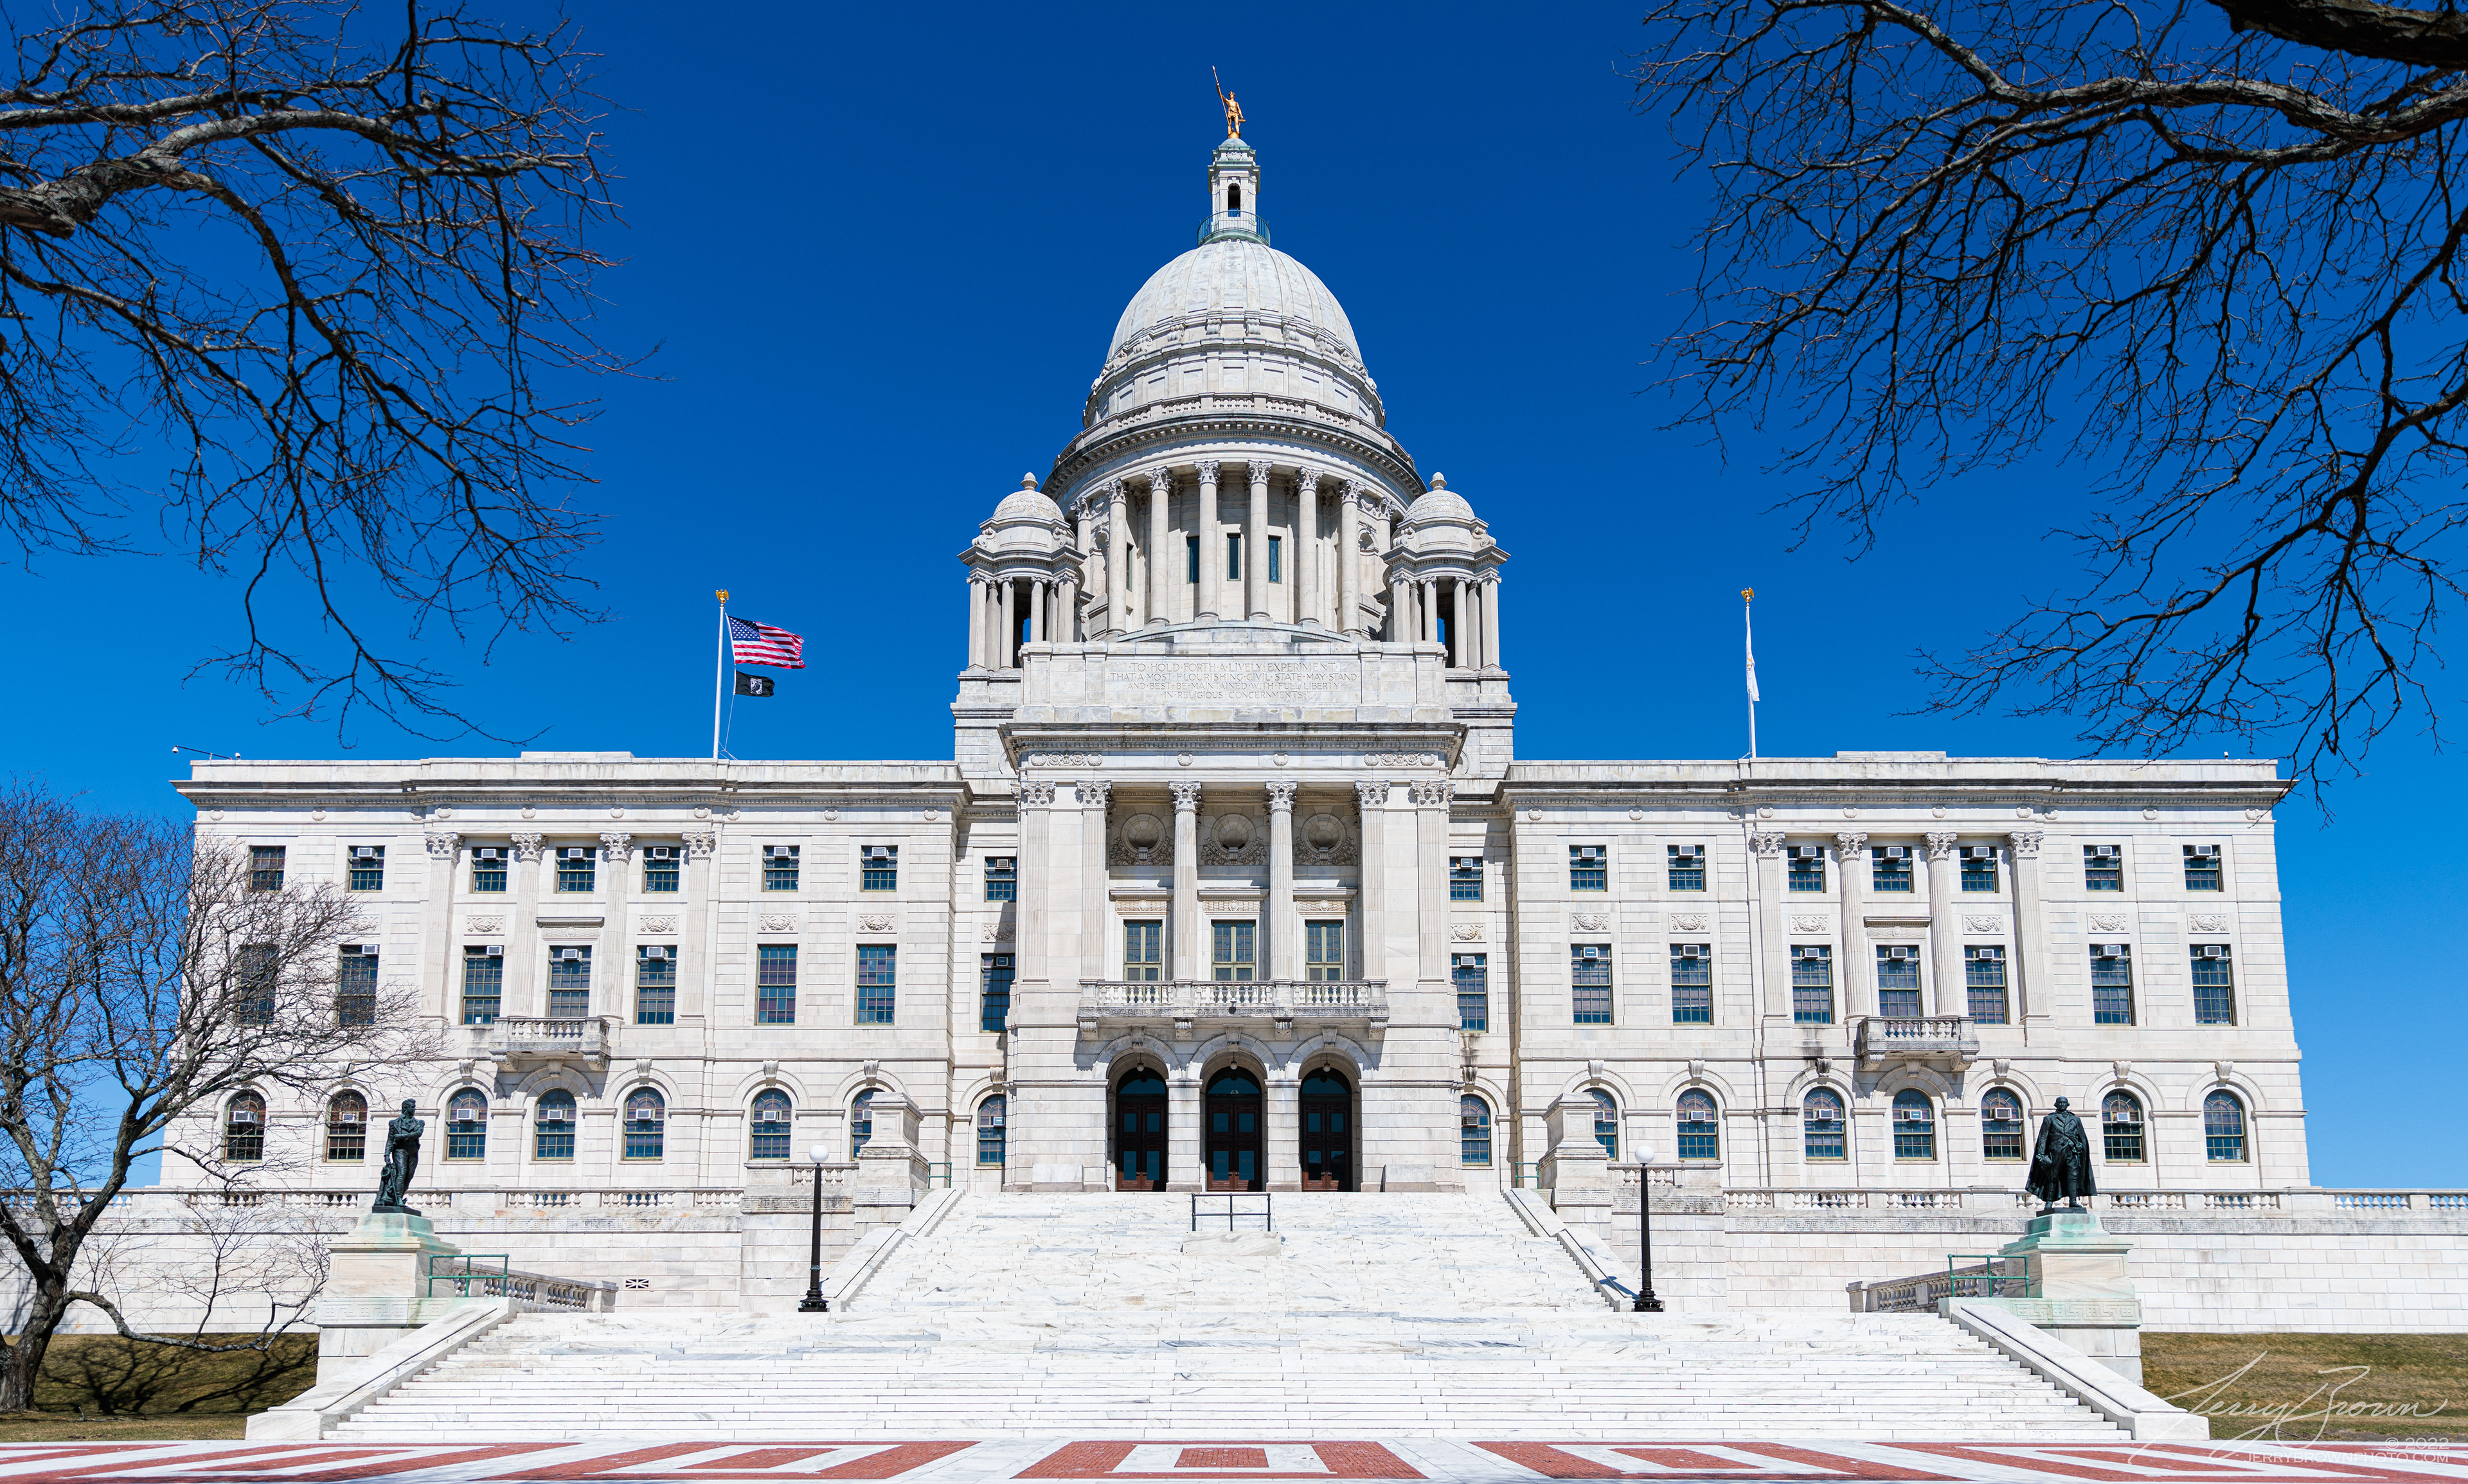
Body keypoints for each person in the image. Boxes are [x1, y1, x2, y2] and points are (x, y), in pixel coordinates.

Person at [2025, 1095, 2095, 1210]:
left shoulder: (2076, 1120)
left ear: (2068, 1105)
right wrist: (2041, 1154)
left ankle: (2073, 1201)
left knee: (2073, 1176)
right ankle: (2049, 1202)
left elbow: (2081, 1137)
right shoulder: (2050, 1119)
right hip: (2056, 1151)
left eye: (2064, 1103)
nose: (2062, 1105)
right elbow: (2043, 1137)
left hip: (2071, 1152)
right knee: (2053, 1177)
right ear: (2056, 1105)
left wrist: (2080, 1146)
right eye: (2060, 1103)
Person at [371, 1097, 425, 1213]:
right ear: (405, 1108)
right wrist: (386, 1155)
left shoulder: (419, 1123)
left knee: (409, 1176)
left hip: (413, 1151)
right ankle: (399, 1198)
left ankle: (396, 1198)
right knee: (401, 1173)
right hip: (400, 1151)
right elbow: (390, 1140)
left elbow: (418, 1133)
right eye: (412, 1107)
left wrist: (403, 1136)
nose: (414, 1109)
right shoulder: (394, 1124)